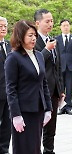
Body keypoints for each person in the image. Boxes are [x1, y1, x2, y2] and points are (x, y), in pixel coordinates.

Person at [5, 20, 52, 154]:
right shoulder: (13, 58)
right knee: (24, 148)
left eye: (35, 35)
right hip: (23, 111)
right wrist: (15, 115)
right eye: (30, 35)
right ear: (20, 36)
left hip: (38, 109)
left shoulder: (38, 55)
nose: (33, 38)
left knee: (35, 147)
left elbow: (43, 83)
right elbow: (11, 89)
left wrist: (48, 108)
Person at [34, 9, 64, 154]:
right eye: (47, 21)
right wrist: (46, 49)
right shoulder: (33, 40)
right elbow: (34, 62)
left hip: (53, 91)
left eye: (52, 21)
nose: (50, 24)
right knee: (38, 125)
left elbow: (57, 67)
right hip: (38, 91)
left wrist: (61, 89)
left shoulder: (52, 40)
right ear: (37, 23)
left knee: (51, 126)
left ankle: (49, 150)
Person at [56, 19, 72, 115]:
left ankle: (68, 107)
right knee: (61, 88)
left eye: (67, 25)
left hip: (70, 67)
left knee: (69, 88)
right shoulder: (56, 39)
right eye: (64, 25)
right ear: (60, 27)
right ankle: (61, 107)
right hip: (60, 66)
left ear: (69, 27)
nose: (66, 27)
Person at [0, 16, 11, 154]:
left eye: (5, 26)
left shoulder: (9, 45)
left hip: (9, 92)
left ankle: (4, 149)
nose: (3, 28)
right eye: (0, 26)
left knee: (7, 124)